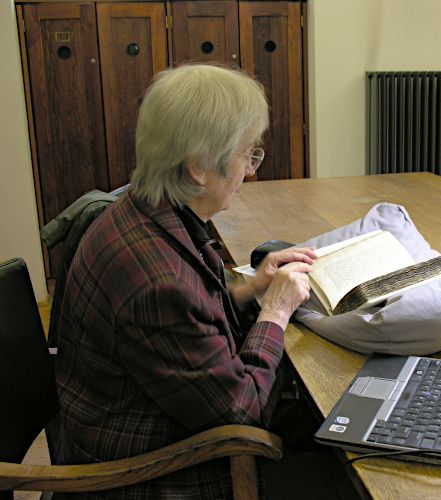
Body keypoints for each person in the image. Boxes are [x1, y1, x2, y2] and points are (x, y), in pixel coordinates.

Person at [50, 64, 339, 498]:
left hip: (148, 418)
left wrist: (249, 287)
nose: (252, 171)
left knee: (333, 418)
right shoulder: (156, 283)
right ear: (200, 168)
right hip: (155, 470)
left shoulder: (144, 207)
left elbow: (191, 307)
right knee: (346, 462)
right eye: (247, 155)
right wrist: (275, 312)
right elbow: (242, 415)